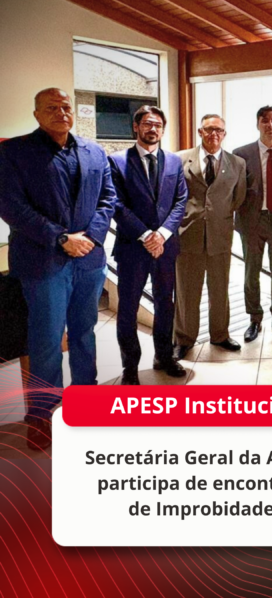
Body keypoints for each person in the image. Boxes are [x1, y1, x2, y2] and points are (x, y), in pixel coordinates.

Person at [0, 88, 116, 450]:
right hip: (43, 262)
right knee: (46, 342)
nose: (61, 112)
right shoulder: (14, 152)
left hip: (89, 260)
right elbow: (11, 206)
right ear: (36, 114)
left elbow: (108, 198)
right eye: (52, 107)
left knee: (84, 334)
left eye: (66, 107)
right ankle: (43, 418)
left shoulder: (94, 152)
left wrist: (91, 237)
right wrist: (61, 238)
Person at [109, 106, 188, 385]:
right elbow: (116, 204)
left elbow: (181, 200)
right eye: (147, 123)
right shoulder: (117, 161)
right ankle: (130, 366)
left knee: (166, 304)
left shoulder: (174, 161)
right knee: (128, 309)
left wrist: (162, 234)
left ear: (163, 130)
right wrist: (146, 235)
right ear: (136, 127)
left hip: (165, 248)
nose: (153, 129)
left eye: (158, 125)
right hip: (133, 248)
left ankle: (164, 357)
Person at [173, 114, 247, 359]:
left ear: (224, 134)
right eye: (209, 129)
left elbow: (238, 198)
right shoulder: (180, 159)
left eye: (219, 130)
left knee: (220, 289)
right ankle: (183, 338)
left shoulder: (237, 163)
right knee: (187, 291)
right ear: (200, 132)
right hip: (188, 235)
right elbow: (174, 196)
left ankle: (220, 335)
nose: (214, 134)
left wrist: (217, 217)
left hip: (220, 236)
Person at [233, 106, 272, 343]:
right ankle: (254, 318)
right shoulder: (241, 153)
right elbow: (235, 188)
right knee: (252, 271)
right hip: (252, 219)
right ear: (257, 124)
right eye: (265, 121)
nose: (270, 125)